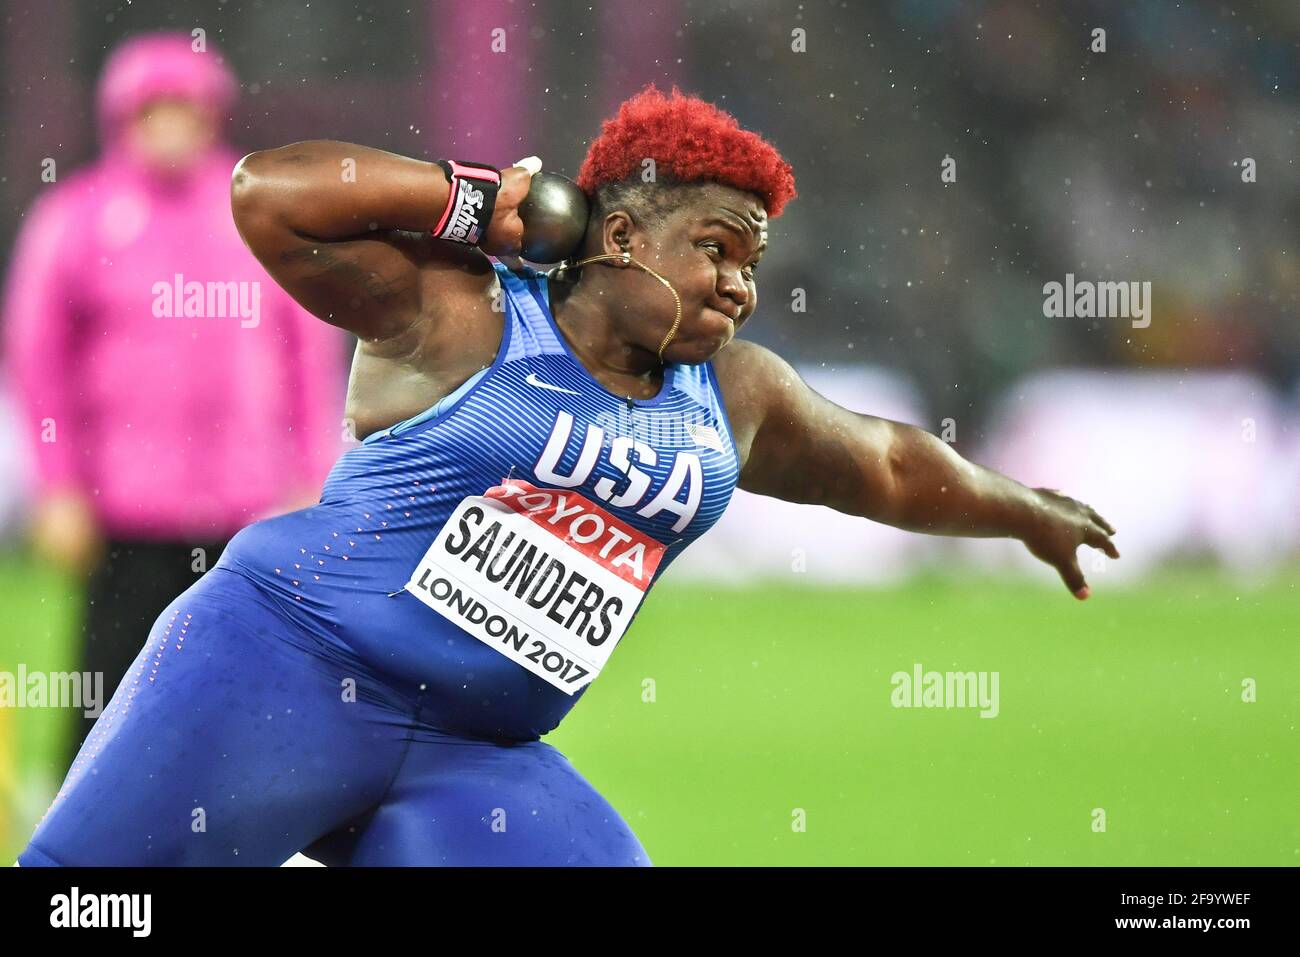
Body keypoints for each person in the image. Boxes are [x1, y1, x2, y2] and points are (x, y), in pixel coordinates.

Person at [14, 83, 1117, 866]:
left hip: (473, 751)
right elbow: (268, 194)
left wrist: (1027, 513)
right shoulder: (463, 308)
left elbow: (880, 460)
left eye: (755, 265)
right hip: (279, 672)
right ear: (622, 230)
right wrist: (475, 199)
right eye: (718, 250)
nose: (739, 286)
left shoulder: (733, 396)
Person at [1, 32, 344, 773]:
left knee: (250, 694)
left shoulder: (254, 214)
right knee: (111, 694)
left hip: (246, 511)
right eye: (153, 110)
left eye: (185, 109)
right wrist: (57, 486)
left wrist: (314, 471)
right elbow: (38, 362)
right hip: (124, 511)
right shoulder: (78, 219)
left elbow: (307, 355)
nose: (171, 125)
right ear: (123, 117)